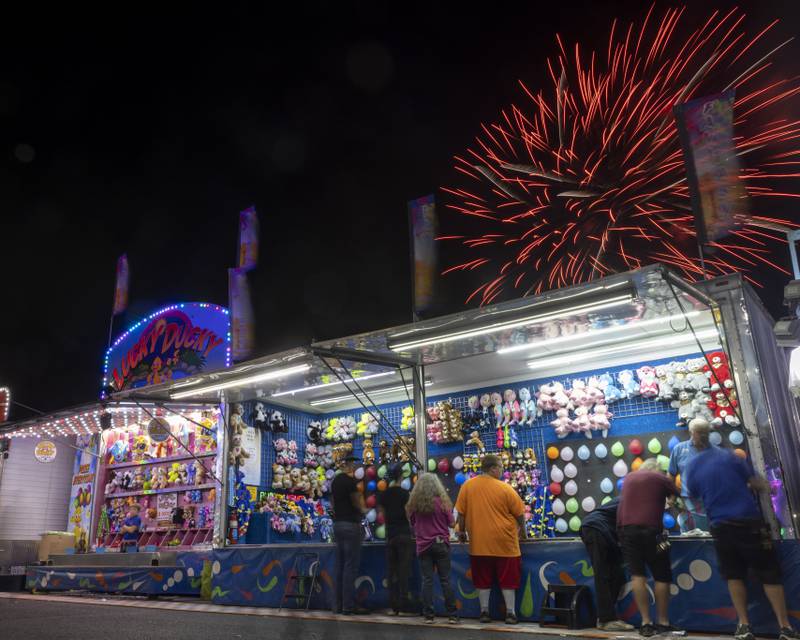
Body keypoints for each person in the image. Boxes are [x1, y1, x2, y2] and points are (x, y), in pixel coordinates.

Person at [685, 423, 799, 640]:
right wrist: (766, 488)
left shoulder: (693, 466)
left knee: (734, 576)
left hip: (721, 526)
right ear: (710, 435)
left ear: (694, 437)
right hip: (750, 523)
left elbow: (694, 494)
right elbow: (756, 483)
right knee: (769, 574)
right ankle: (785, 627)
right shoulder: (730, 457)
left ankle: (744, 625)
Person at [454, 454, 526, 624]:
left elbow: (461, 514)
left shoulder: (467, 486)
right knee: (508, 580)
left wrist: (462, 532)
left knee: (482, 580)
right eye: (501, 467)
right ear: (493, 468)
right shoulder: (505, 488)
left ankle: (484, 612)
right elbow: (520, 514)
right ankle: (510, 613)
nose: (502, 470)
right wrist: (523, 531)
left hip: (479, 544)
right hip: (506, 544)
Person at [617, 458, 680, 637]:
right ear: (657, 469)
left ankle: (645, 623)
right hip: (653, 532)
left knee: (638, 576)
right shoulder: (660, 478)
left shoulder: (629, 478)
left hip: (626, 531)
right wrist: (671, 500)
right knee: (662, 576)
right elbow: (676, 497)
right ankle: (663, 622)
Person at [406, 473, 458, 624]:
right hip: (441, 544)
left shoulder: (415, 505)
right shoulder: (441, 502)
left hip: (423, 546)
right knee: (446, 580)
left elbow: (413, 523)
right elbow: (452, 524)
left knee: (427, 580)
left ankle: (428, 615)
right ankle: (452, 615)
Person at [579, 497, 634, 631]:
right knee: (602, 572)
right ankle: (606, 619)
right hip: (595, 528)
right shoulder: (632, 499)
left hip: (606, 532)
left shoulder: (633, 498)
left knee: (617, 574)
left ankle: (607, 617)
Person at [330, 455, 367, 615]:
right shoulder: (351, 482)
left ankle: (337, 605)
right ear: (351, 466)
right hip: (351, 525)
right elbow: (357, 502)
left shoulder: (335, 481)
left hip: (337, 525)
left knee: (340, 565)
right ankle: (348, 606)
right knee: (350, 567)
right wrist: (364, 510)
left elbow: (332, 503)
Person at [378, 463, 414, 615]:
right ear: (401, 476)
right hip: (404, 533)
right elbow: (408, 513)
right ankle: (404, 603)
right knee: (403, 570)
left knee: (391, 570)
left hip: (390, 534)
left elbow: (383, 514)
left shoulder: (384, 495)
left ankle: (394, 605)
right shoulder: (405, 494)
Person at [668, 418, 711, 533]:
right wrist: (671, 496)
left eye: (705, 432)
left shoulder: (715, 451)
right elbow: (671, 475)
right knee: (691, 535)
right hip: (689, 501)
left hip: (711, 500)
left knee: (711, 536)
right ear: (691, 432)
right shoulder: (679, 449)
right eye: (700, 432)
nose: (703, 436)